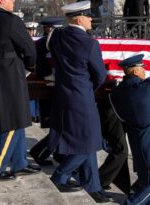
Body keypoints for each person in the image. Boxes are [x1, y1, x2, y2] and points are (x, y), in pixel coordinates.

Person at [45, 1, 111, 203]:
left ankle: (93, 186)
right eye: (89, 16)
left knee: (86, 141)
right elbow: (100, 75)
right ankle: (60, 176)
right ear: (80, 18)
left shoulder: (56, 36)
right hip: (82, 98)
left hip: (63, 94)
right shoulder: (90, 44)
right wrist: (86, 89)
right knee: (90, 142)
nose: (91, 19)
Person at [0, 0, 41, 180]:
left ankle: (19, 163)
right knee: (11, 120)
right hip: (10, 72)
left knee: (16, 117)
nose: (13, 2)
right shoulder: (11, 20)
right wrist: (29, 65)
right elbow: (29, 49)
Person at [109, 54, 150, 205]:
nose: (145, 71)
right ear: (135, 71)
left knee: (147, 177)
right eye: (143, 68)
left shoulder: (116, 93)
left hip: (136, 139)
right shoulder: (146, 88)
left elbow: (121, 116)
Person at [29, 17, 64, 166]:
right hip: (49, 86)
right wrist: (49, 76)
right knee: (58, 125)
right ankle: (40, 153)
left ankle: (58, 153)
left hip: (56, 85)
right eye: (53, 29)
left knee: (60, 124)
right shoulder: (43, 44)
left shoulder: (55, 42)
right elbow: (41, 64)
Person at [95, 79, 131, 194]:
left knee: (119, 148)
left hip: (118, 107)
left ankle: (118, 181)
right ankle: (99, 180)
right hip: (111, 109)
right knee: (121, 150)